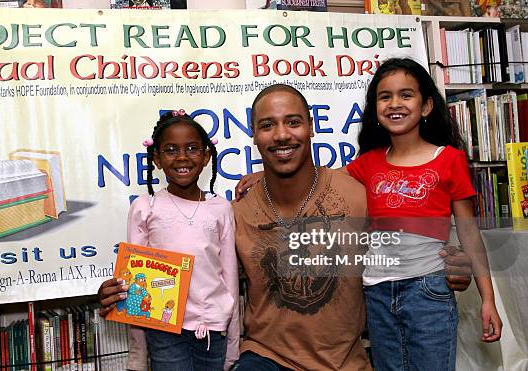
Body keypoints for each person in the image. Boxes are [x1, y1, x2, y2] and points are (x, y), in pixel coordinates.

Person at [101, 86, 474, 370]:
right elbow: (192, 265)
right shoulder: (235, 212)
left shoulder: (358, 194)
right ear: (254, 136)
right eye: (268, 125)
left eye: (292, 122)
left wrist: (451, 261)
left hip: (344, 362)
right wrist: (123, 293)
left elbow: (415, 230)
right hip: (266, 357)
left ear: (311, 127)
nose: (281, 135)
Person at [346, 57, 501, 370]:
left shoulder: (449, 159)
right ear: (375, 108)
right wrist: (263, 177)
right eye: (384, 96)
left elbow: (470, 234)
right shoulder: (366, 163)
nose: (394, 103)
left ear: (426, 106)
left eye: (406, 95)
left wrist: (488, 299)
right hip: (376, 293)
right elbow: (319, 183)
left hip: (428, 291)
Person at [99, 110, 240, 371]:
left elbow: (230, 278)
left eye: (192, 149)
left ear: (206, 156)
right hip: (164, 330)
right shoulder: (145, 207)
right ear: (157, 159)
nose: (183, 157)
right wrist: (138, 356)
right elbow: (135, 279)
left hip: (213, 329)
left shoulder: (221, 208)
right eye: (171, 150)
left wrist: (233, 346)